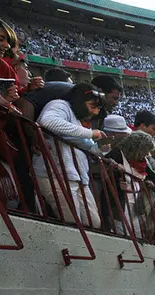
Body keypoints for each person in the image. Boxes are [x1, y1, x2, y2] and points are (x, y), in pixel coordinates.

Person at [31, 82, 105, 228]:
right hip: (54, 174)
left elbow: (85, 144)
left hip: (76, 178)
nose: (95, 112)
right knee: (72, 221)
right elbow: (48, 121)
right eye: (92, 106)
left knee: (94, 223)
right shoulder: (60, 105)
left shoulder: (76, 119)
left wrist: (101, 145)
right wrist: (90, 133)